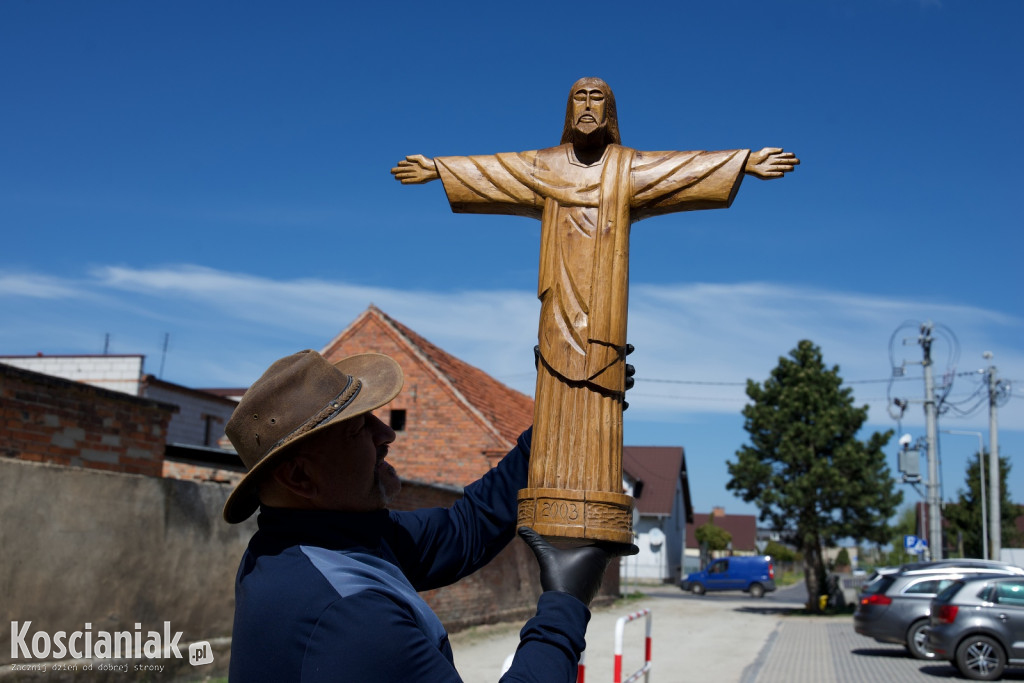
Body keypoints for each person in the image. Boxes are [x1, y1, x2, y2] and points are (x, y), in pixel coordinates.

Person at [392, 77, 799, 537]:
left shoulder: (626, 169)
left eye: (597, 98)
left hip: (605, 311)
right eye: (579, 98)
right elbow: (496, 171)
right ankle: (551, 493)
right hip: (558, 308)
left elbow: (680, 169)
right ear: (569, 111)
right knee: (556, 387)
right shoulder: (543, 167)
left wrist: (743, 162)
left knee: (601, 388)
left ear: (610, 111)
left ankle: (594, 503)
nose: (587, 105)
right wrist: (439, 170)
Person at [223, 349, 634, 682]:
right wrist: (565, 605)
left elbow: (464, 529)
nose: (387, 434)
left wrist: (558, 422)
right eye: (358, 428)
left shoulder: (329, 542)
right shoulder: (348, 616)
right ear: (299, 476)